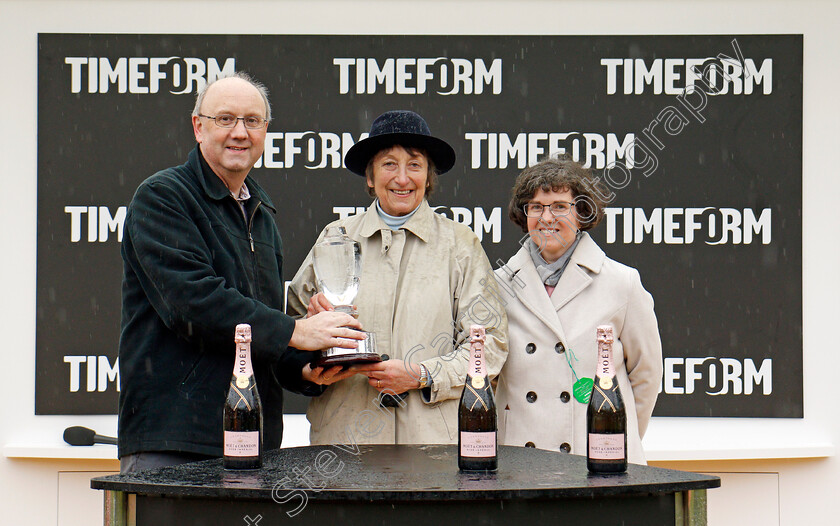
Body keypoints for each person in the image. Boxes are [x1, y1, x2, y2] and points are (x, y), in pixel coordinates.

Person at [118, 72, 363, 473]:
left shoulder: (262, 215)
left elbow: (256, 329)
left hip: (254, 443)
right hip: (176, 441)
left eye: (252, 121)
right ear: (198, 127)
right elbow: (193, 304)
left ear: (266, 132)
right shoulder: (162, 197)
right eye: (225, 119)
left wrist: (305, 368)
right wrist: (298, 331)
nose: (240, 132)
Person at [287, 110, 508, 445]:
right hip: (345, 443)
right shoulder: (335, 237)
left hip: (433, 449)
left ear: (429, 178)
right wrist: (312, 335)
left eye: (415, 165)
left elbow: (489, 346)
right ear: (370, 177)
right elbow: (288, 337)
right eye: (389, 164)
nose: (402, 178)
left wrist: (422, 375)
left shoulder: (460, 245)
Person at [495, 155, 662, 464]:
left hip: (595, 456)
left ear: (582, 212)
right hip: (520, 458)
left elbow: (646, 375)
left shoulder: (621, 282)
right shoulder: (498, 285)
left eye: (560, 206)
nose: (547, 218)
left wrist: (616, 435)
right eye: (536, 207)